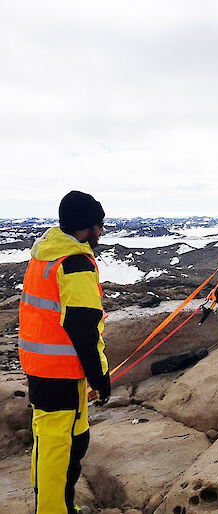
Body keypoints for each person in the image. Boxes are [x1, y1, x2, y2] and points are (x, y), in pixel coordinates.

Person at [18, 191, 110, 514]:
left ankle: (57, 504)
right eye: (99, 225)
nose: (101, 232)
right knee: (60, 453)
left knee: (56, 444)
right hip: (61, 375)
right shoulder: (75, 263)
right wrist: (100, 377)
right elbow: (84, 329)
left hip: (43, 370)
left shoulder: (46, 253)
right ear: (84, 228)